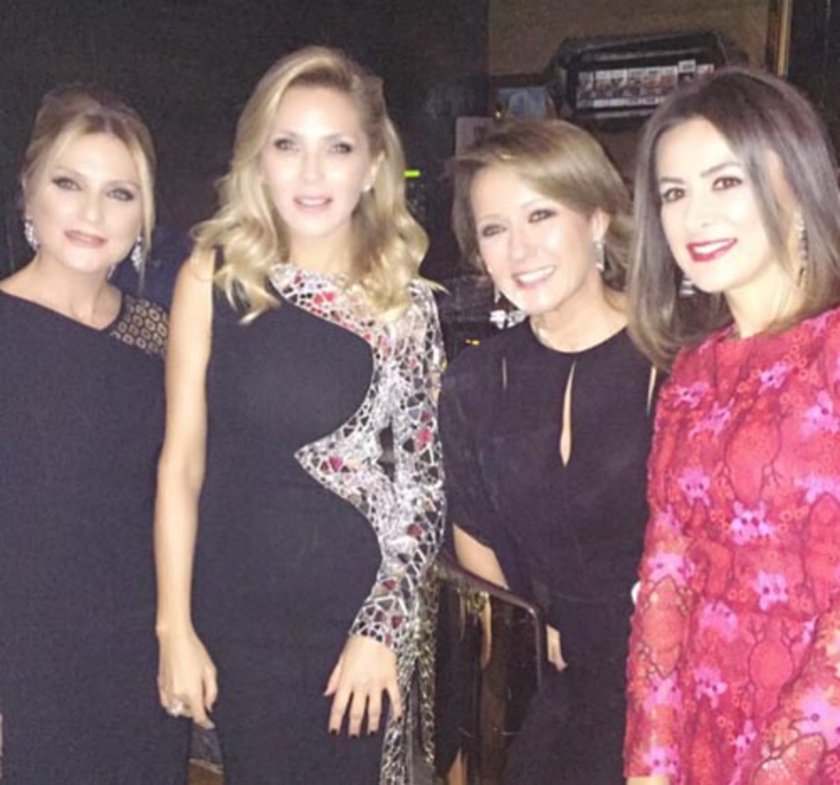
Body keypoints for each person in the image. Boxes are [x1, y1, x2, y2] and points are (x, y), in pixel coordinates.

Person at [154, 46, 446, 785]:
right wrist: (174, 625)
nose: (311, 174)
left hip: (358, 623)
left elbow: (421, 488)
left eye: (336, 148)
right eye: (287, 145)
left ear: (372, 165)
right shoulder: (212, 274)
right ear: (259, 159)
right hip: (238, 618)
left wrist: (382, 627)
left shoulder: (403, 303)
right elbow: (182, 463)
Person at [624, 68, 840, 785]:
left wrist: (774, 770)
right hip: (704, 741)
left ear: (798, 184)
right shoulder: (691, 375)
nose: (695, 217)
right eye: (674, 194)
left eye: (725, 182)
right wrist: (651, 762)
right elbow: (666, 578)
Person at [439, 119, 657, 785]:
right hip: (552, 683)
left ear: (597, 219)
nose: (520, 249)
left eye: (541, 214)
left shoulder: (677, 363)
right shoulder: (475, 382)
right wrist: (529, 638)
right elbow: (475, 538)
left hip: (665, 684)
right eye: (494, 228)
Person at [0, 87, 189, 784]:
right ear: (29, 192)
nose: (91, 213)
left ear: (143, 215)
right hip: (25, 659)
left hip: (139, 655)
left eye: (119, 193)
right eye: (68, 183)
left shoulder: (159, 336)